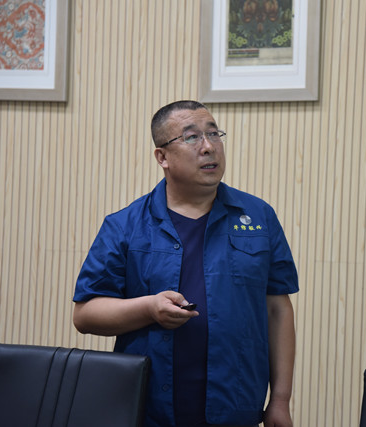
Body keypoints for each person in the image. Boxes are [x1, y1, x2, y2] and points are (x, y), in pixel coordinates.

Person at [72, 100, 299, 427]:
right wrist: (149, 308)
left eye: (214, 134)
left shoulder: (258, 217)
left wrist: (280, 399)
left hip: (236, 406)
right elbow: (85, 314)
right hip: (147, 408)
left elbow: (277, 309)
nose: (209, 147)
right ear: (162, 157)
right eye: (192, 137)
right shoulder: (125, 225)